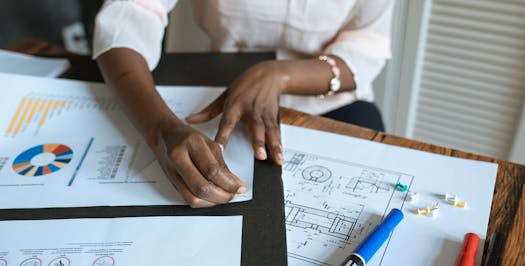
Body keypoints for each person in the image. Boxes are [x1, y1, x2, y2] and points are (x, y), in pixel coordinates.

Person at [92, 0, 393, 208]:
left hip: (327, 102)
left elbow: (366, 46)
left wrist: (280, 75)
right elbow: (128, 14)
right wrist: (160, 128)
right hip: (218, 97)